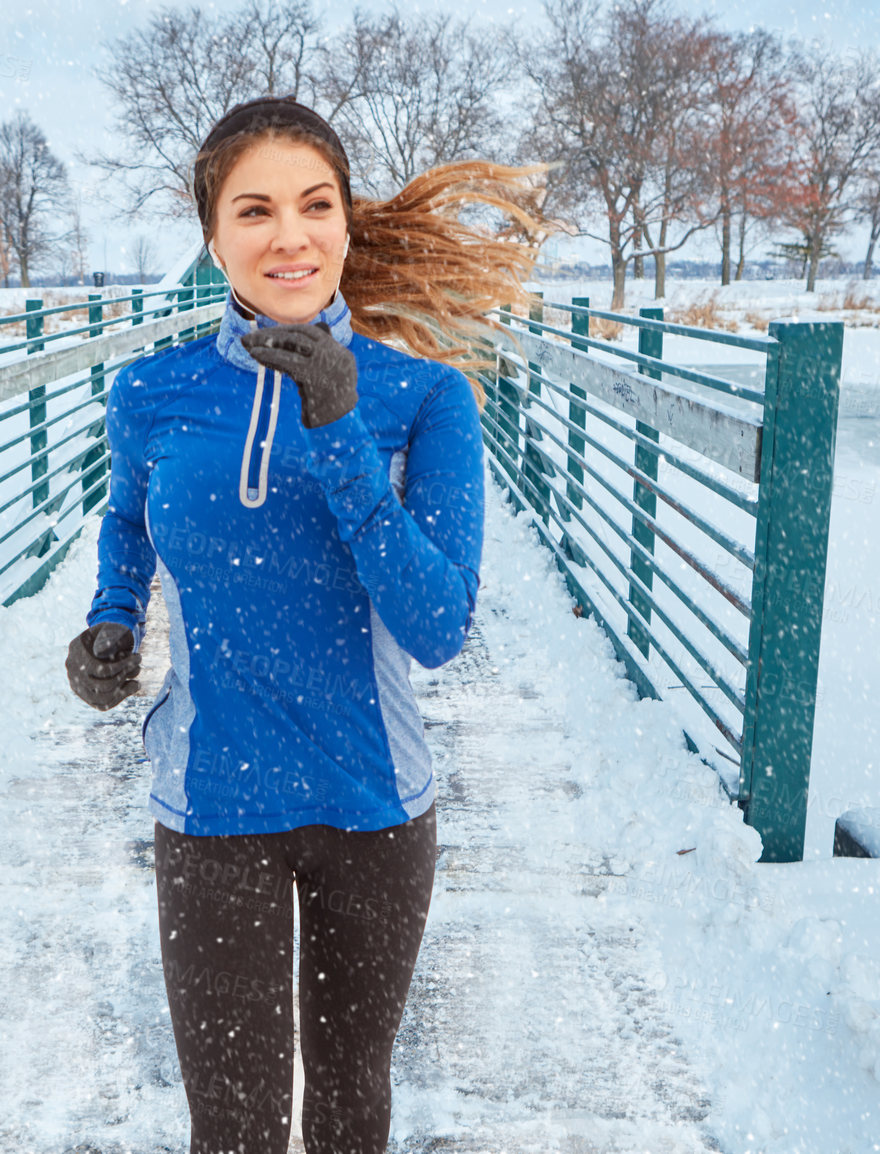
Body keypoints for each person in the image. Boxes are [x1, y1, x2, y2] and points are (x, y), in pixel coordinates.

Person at [65, 96, 549, 1153]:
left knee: (345, 1113)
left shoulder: (425, 398)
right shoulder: (152, 391)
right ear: (213, 237)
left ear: (344, 219)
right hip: (212, 804)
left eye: (314, 204)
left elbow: (435, 624)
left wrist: (336, 428)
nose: (289, 234)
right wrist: (109, 621)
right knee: (231, 1128)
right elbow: (124, 521)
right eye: (255, 210)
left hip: (370, 805)